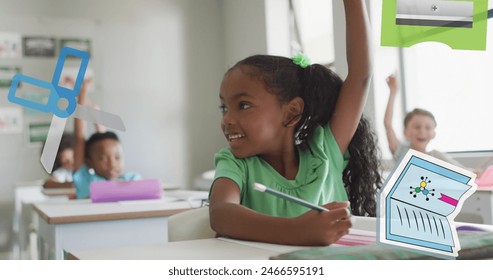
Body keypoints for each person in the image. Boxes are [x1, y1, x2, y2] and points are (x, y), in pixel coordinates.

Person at [209, 0, 381, 246]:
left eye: (243, 105)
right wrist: (298, 231)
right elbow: (221, 214)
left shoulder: (325, 151)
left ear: (291, 113)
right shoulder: (236, 163)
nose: (227, 119)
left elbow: (361, 74)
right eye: (224, 107)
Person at [72, 77, 141, 199]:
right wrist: (82, 95)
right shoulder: (87, 181)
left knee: (104, 145)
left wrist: (96, 116)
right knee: (102, 146)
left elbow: (104, 145)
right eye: (103, 159)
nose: (112, 163)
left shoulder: (132, 179)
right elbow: (79, 138)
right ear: (89, 162)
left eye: (118, 157)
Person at [384, 74, 464, 167]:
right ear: (405, 132)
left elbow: (465, 172)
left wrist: (475, 173)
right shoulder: (401, 152)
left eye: (428, 128)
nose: (422, 131)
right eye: (417, 127)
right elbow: (387, 124)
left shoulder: (437, 156)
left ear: (434, 134)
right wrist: (393, 92)